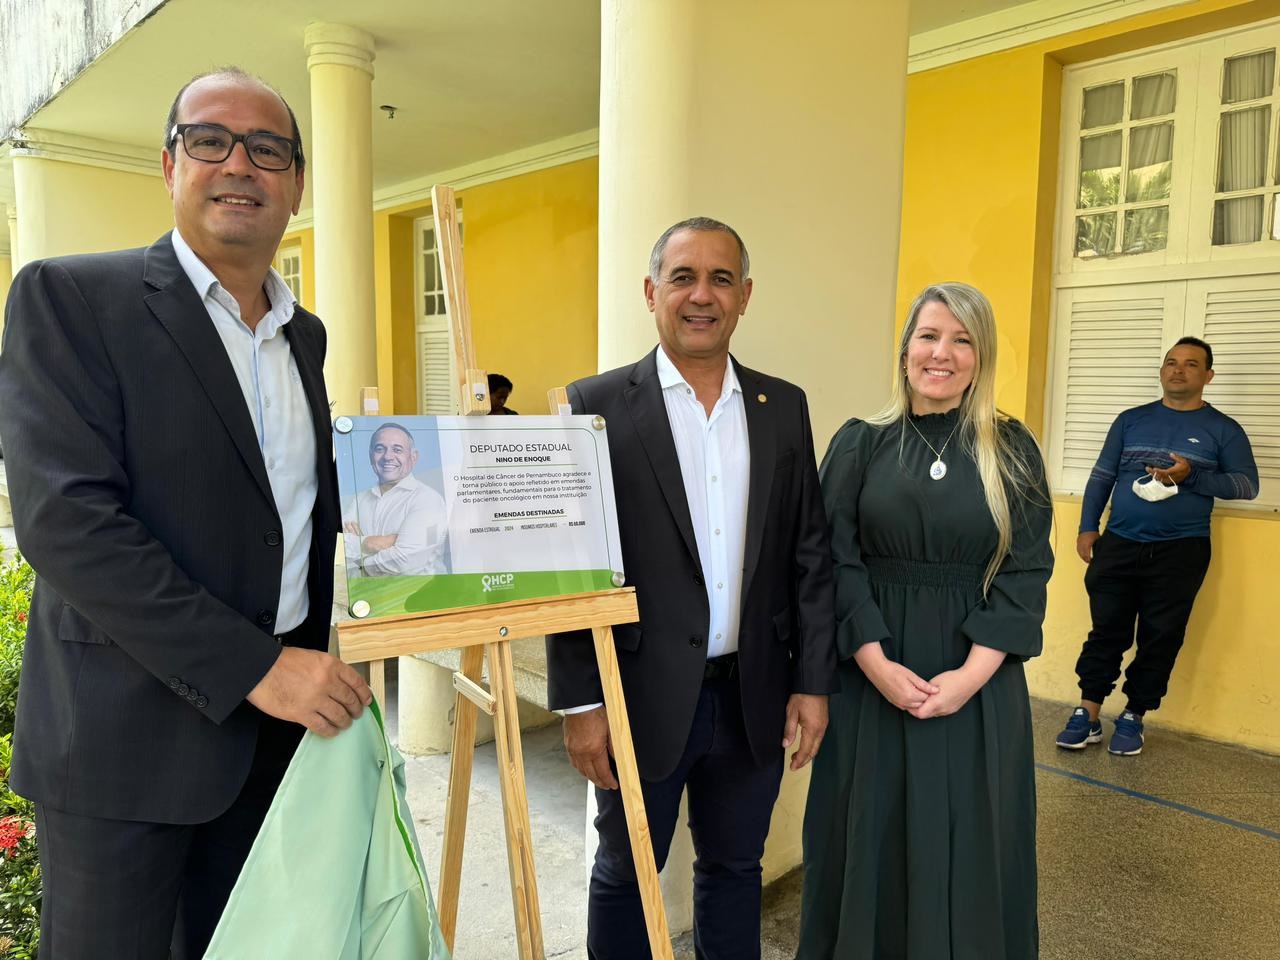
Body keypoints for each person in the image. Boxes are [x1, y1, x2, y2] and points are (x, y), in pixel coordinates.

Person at [0, 68, 372, 959]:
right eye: (211, 140)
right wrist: (259, 667)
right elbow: (68, 524)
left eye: (268, 149)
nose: (239, 164)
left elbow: (294, 511)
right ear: (169, 165)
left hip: (270, 748)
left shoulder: (304, 336)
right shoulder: (73, 298)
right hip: (124, 752)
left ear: (296, 184)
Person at [546, 217, 836, 959]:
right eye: (683, 277)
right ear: (651, 293)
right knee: (623, 869)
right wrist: (582, 705)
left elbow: (809, 552)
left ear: (744, 296)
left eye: (720, 279)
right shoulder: (596, 404)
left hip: (754, 695)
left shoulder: (784, 407)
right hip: (638, 694)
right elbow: (570, 567)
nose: (701, 295)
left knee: (736, 868)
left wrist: (812, 682)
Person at [797, 282, 1053, 960]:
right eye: (930, 336)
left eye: (962, 339)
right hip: (872, 669)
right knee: (868, 835)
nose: (943, 353)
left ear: (981, 355)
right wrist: (876, 662)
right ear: (905, 347)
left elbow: (1026, 569)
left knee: (973, 838)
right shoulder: (861, 444)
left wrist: (970, 676)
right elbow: (833, 561)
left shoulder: (1012, 448)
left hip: (977, 681)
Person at [1055, 337, 1258, 756]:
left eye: (1190, 364)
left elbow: (1246, 484)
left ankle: (1133, 715)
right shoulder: (1130, 420)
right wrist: (1087, 527)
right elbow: (1101, 477)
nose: (1177, 370)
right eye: (1171, 362)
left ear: (1208, 376)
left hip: (1181, 552)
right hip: (1119, 544)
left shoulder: (1223, 429)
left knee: (1161, 636)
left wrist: (1192, 478)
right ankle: (1087, 713)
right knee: (1106, 632)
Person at [343, 422, 449, 576]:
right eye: (380, 449)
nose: (388, 456)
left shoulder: (428, 500)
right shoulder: (358, 500)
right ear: (370, 456)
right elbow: (339, 546)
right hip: (368, 595)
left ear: (413, 457)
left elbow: (406, 562)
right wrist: (368, 543)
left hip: (422, 596)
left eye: (397, 449)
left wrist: (360, 563)